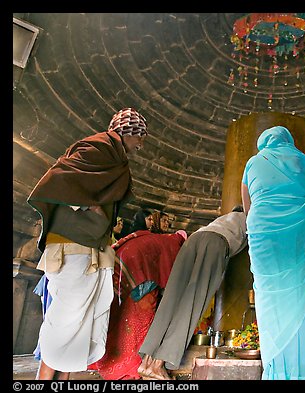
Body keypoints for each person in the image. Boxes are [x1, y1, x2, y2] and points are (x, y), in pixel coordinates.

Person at [27, 107, 148, 380]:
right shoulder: (99, 146)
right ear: (130, 133)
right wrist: (89, 206)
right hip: (73, 245)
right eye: (141, 137)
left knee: (79, 323)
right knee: (65, 320)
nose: (141, 144)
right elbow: (61, 177)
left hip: (89, 247)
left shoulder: (114, 156)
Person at [241, 125, 305, 380]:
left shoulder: (254, 161)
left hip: (262, 231)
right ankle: (303, 371)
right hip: (299, 228)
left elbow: (247, 206)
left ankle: (276, 370)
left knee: (267, 297)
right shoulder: (304, 161)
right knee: (300, 294)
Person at [137, 206, 248, 380]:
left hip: (193, 240)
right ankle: (158, 365)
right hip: (215, 243)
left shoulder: (225, 219)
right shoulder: (251, 218)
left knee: (170, 301)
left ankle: (146, 363)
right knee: (192, 303)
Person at [89, 230, 187, 380]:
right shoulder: (174, 246)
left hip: (122, 266)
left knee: (120, 319)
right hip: (139, 275)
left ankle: (112, 363)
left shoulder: (159, 239)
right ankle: (131, 366)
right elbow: (170, 283)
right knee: (139, 319)